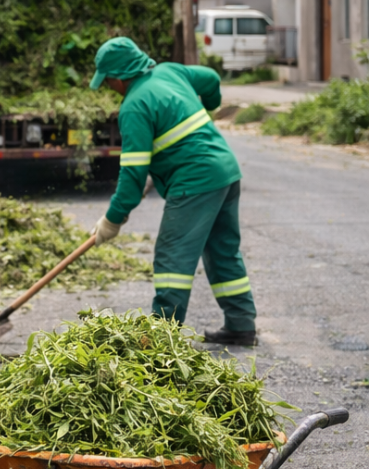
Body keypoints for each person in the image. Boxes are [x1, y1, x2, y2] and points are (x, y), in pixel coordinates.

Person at [90, 37, 257, 346]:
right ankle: (241, 324)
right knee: (222, 249)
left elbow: (132, 177)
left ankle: (159, 339)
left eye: (108, 80)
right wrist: (208, 106)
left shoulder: (134, 107)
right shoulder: (170, 72)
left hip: (194, 181)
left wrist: (112, 220)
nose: (108, 87)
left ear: (120, 76)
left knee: (172, 257)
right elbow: (211, 79)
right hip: (225, 171)